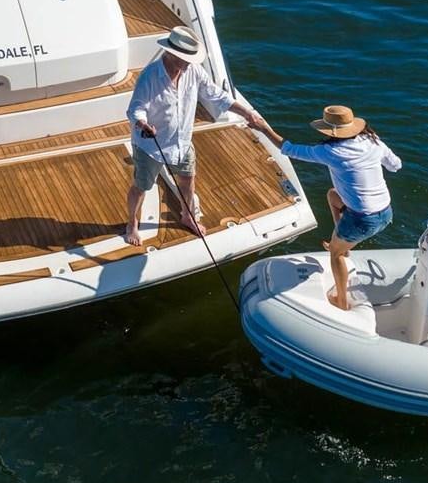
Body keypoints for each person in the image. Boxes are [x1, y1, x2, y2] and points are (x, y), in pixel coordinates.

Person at [125, 26, 262, 246]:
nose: (188, 62)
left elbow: (216, 95)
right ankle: (132, 222)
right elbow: (135, 109)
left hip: (182, 142)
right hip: (151, 146)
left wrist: (247, 113)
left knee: (188, 180)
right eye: (184, 58)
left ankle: (187, 215)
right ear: (170, 53)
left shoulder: (194, 71)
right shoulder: (150, 76)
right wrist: (142, 123)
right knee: (141, 187)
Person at [255, 105, 402, 310]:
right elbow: (396, 166)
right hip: (386, 212)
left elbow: (288, 149)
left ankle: (341, 300)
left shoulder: (331, 151)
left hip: (362, 220)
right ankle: (340, 241)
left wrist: (263, 128)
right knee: (333, 195)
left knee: (336, 254)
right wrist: (376, 145)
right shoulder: (372, 142)